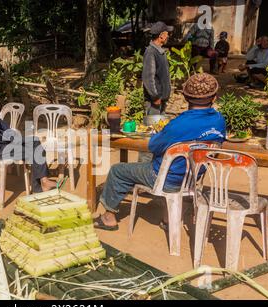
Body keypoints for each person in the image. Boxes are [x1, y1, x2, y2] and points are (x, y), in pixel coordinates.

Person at [94, 73, 226, 231]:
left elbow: (153, 146)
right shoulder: (219, 121)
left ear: (185, 97)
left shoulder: (179, 124)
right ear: (215, 97)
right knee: (166, 163)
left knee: (118, 170)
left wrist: (160, 134)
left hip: (165, 179)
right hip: (192, 178)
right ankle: (167, 219)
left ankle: (108, 218)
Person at [0, 71, 56, 193]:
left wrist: (13, 134)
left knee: (34, 141)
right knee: (32, 151)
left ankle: (43, 180)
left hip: (0, 141)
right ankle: (39, 187)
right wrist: (16, 140)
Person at [142, 21, 173, 115]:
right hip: (154, 102)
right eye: (167, 34)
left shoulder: (159, 52)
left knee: (160, 127)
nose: (168, 36)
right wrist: (155, 97)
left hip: (161, 99)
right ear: (161, 36)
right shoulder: (151, 52)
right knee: (152, 127)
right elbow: (148, 78)